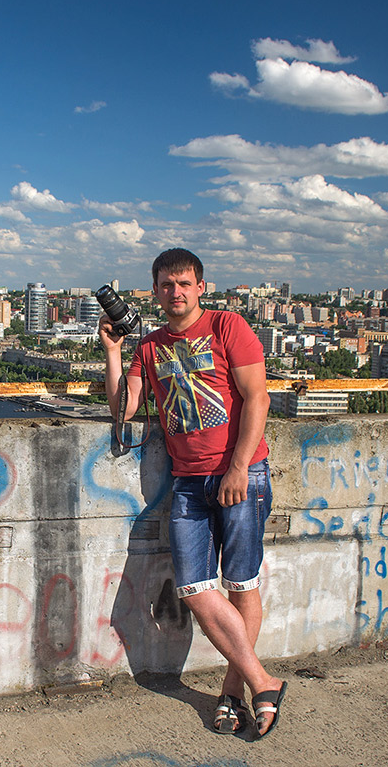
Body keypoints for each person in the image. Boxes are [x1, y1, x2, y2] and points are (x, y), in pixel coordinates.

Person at [99, 247, 287, 739]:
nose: (175, 293)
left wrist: (240, 467)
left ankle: (231, 693)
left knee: (241, 583)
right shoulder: (150, 347)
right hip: (188, 482)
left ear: (200, 287)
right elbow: (124, 409)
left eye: (184, 283)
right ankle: (263, 681)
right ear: (155, 290)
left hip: (238, 474)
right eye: (166, 284)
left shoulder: (228, 328)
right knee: (196, 589)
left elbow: (257, 398)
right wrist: (114, 350)